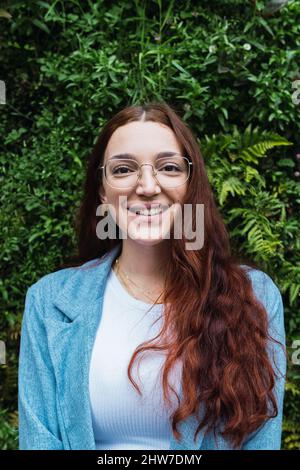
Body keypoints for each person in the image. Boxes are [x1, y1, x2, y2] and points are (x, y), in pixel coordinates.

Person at [18, 101, 287, 450]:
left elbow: (261, 439)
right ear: (103, 190)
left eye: (169, 167)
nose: (147, 185)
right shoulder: (49, 301)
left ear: (192, 184)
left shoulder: (256, 296)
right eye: (123, 169)